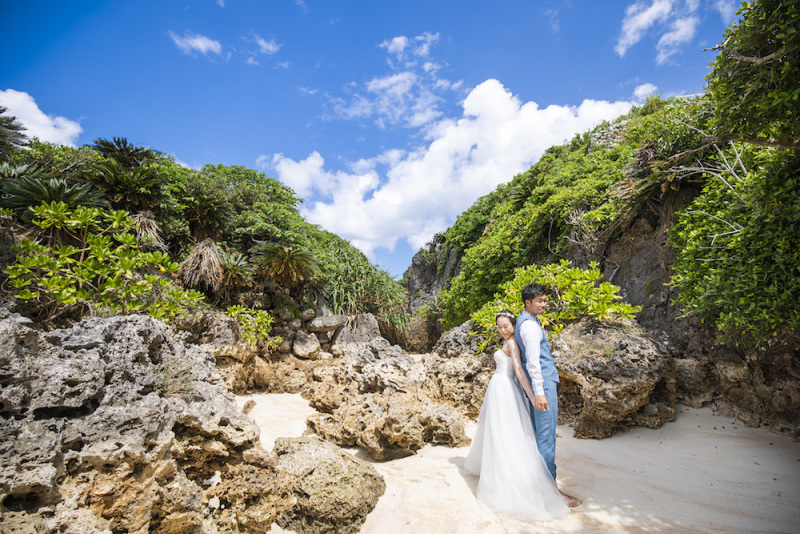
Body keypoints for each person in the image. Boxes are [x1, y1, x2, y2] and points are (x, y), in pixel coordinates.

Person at [464, 310, 570, 521]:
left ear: (514, 325)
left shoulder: (513, 343)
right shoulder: (511, 341)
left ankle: (510, 476)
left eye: (506, 326)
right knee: (498, 431)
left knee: (506, 432)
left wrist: (532, 395)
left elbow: (520, 371)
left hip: (505, 388)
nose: (503, 330)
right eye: (499, 326)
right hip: (500, 388)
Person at [514, 283, 582, 507]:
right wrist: (540, 394)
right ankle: (552, 493)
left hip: (538, 385)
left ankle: (539, 487)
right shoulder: (530, 327)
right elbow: (533, 363)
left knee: (540, 436)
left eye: (545, 300)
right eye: (540, 301)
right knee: (546, 438)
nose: (544, 304)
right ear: (528, 303)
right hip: (542, 385)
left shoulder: (526, 321)